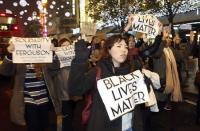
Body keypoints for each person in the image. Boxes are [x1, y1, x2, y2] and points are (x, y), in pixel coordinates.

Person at [0, 41, 61, 131]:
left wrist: (52, 53)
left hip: (44, 99)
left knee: (45, 125)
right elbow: (4, 71)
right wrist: (9, 54)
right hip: (28, 100)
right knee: (33, 127)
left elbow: (56, 67)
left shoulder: (43, 58)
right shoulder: (19, 59)